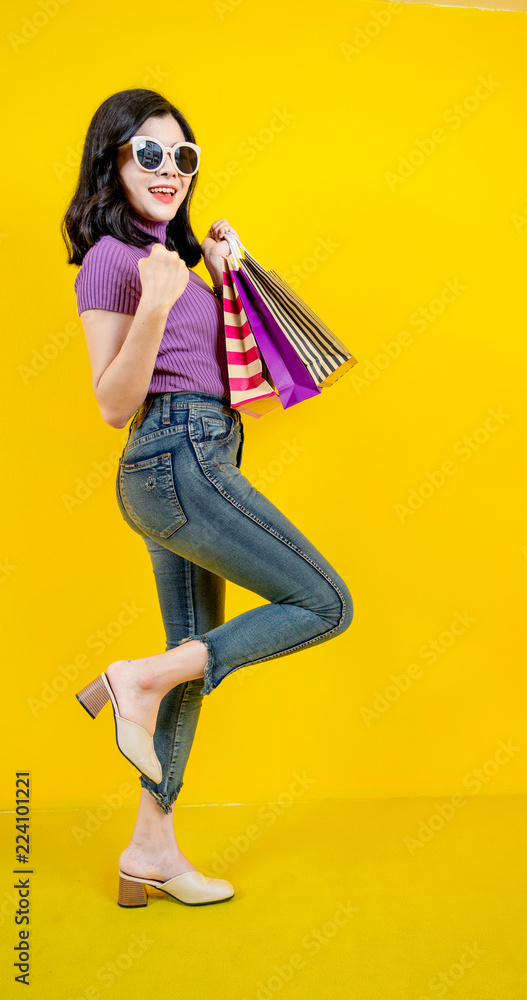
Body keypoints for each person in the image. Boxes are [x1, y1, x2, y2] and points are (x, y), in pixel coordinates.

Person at [62, 88, 354, 908]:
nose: (169, 170)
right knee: (324, 602)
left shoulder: (178, 266)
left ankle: (150, 847)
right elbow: (113, 403)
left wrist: (225, 275)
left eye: (182, 156)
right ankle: (136, 677)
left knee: (191, 656)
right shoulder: (115, 262)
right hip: (172, 456)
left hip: (196, 453)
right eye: (148, 153)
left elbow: (238, 370)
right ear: (111, 162)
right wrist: (155, 306)